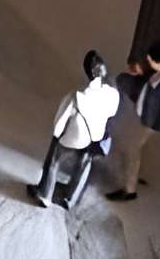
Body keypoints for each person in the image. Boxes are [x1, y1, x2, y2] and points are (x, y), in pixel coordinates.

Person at [30, 51, 119, 207]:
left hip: (74, 138)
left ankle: (44, 194)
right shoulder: (113, 94)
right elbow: (112, 113)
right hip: (94, 138)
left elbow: (59, 123)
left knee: (54, 161)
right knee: (84, 165)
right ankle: (68, 197)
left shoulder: (76, 96)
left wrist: (57, 135)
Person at [103, 42, 160, 202]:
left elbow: (157, 112)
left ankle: (129, 189)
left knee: (131, 149)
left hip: (150, 122)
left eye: (151, 61)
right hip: (147, 115)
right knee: (132, 147)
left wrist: (143, 123)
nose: (148, 64)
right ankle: (132, 176)